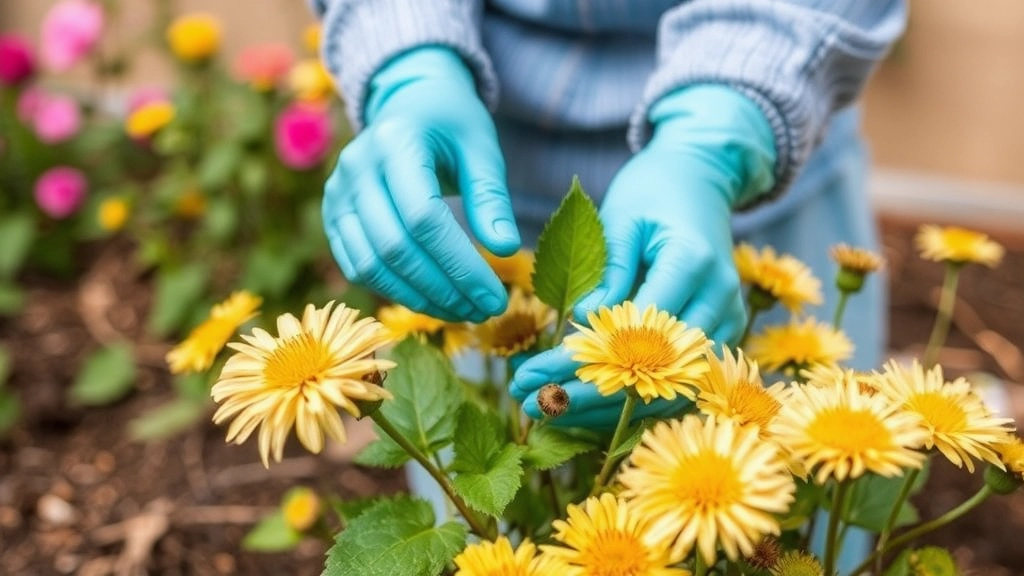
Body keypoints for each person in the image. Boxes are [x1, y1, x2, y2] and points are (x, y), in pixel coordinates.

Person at [312, 0, 905, 569]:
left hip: (761, 185)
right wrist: (409, 60)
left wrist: (714, 140)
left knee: (804, 507)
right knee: (479, 524)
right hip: (475, 178)